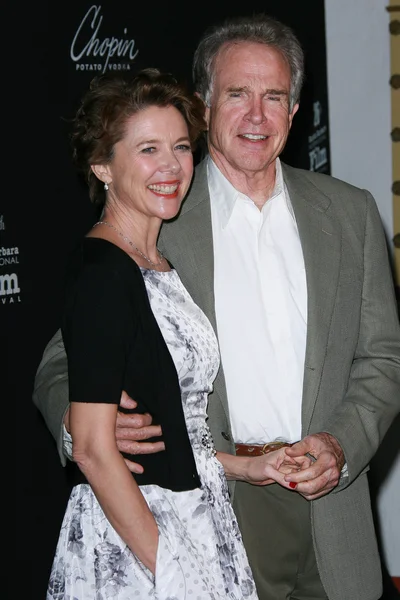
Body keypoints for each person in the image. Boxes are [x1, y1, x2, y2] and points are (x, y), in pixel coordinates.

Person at [33, 13, 400, 600]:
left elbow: (384, 358)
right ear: (204, 107)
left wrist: (341, 444)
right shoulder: (159, 216)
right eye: (237, 95)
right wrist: (85, 430)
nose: (257, 116)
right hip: (213, 511)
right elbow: (60, 359)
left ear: (295, 112)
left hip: (334, 504)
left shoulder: (351, 213)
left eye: (274, 97)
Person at [41, 67, 311, 600]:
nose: (171, 167)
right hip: (138, 540)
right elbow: (95, 450)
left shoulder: (157, 262)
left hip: (197, 515)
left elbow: (171, 427)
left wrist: (245, 465)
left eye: (181, 147)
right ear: (102, 166)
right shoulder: (102, 269)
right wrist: (172, 568)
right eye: (147, 150)